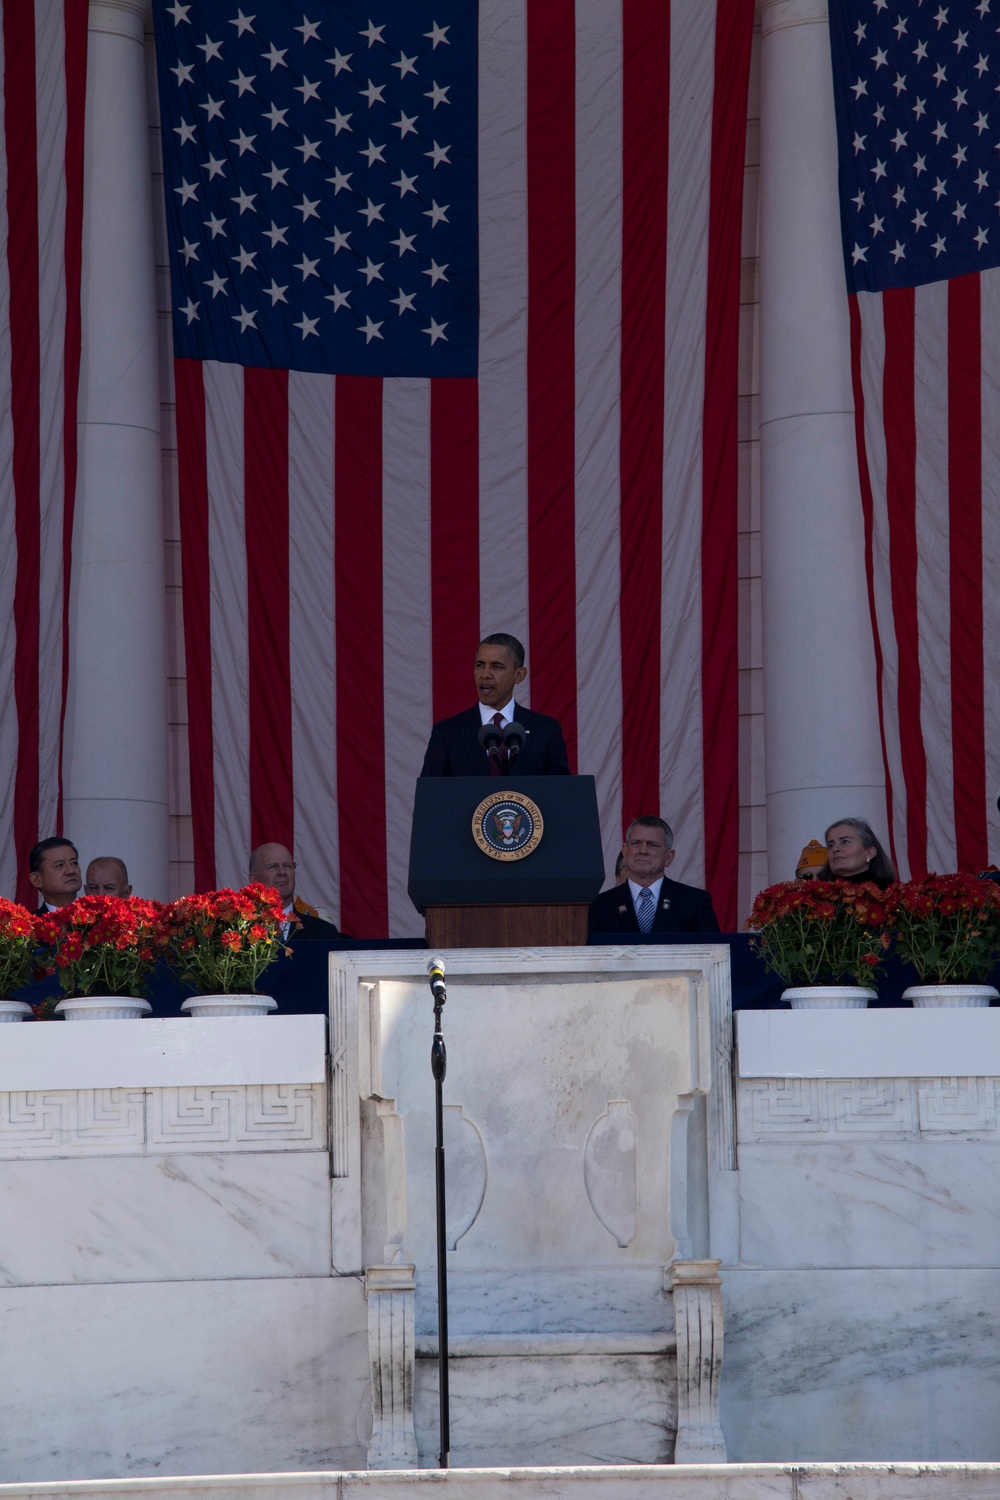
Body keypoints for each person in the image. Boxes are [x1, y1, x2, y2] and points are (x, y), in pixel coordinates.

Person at [420, 633, 571, 777]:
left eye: (496, 666)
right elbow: (430, 798)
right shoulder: (447, 734)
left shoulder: (546, 731)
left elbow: (561, 794)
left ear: (519, 675)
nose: (485, 674)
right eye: (480, 665)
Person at [588, 816, 720, 934]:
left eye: (653, 845)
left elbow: (714, 953)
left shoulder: (695, 902)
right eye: (636, 843)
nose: (643, 850)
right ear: (625, 852)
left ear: (669, 857)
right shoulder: (599, 906)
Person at [248, 842, 340, 939]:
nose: (282, 872)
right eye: (273, 866)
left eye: (287, 866)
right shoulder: (238, 931)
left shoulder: (323, 932)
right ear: (254, 879)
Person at [823, 817, 897, 888]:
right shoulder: (817, 895)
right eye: (830, 845)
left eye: (845, 842)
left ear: (869, 853)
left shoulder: (891, 895)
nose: (835, 849)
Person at [28, 838, 81, 911]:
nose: (71, 871)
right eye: (60, 865)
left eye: (74, 863)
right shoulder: (31, 922)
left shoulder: (98, 916)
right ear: (37, 880)